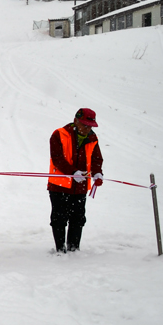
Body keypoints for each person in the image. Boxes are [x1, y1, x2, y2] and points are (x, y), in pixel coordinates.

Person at [48, 108, 103, 253]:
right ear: (76, 121)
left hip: (80, 187)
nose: (88, 128)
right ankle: (60, 249)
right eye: (85, 124)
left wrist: (97, 173)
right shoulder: (59, 134)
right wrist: (72, 172)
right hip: (59, 186)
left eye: (90, 126)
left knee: (78, 218)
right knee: (59, 219)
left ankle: (74, 249)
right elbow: (57, 158)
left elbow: (96, 158)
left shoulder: (92, 138)